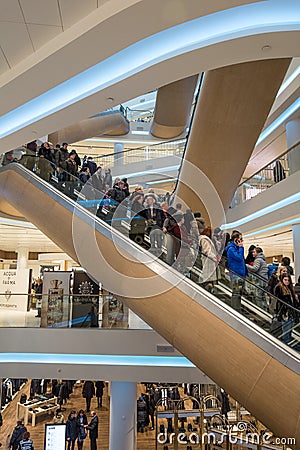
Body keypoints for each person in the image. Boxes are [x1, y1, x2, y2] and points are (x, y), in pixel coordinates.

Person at [274, 273, 299, 344]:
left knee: (289, 331)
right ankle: (286, 345)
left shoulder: (290, 288)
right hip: (284, 314)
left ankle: (288, 344)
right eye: (285, 280)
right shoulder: (279, 288)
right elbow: (278, 301)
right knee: (286, 332)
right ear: (282, 280)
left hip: (291, 313)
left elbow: (293, 301)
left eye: (288, 280)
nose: (287, 281)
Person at [226, 231, 247, 311]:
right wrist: (241, 247)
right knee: (236, 293)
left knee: (239, 293)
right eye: (240, 239)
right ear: (236, 240)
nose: (242, 241)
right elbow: (239, 258)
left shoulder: (236, 248)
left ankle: (237, 308)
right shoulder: (231, 249)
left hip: (240, 274)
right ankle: (235, 309)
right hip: (236, 274)